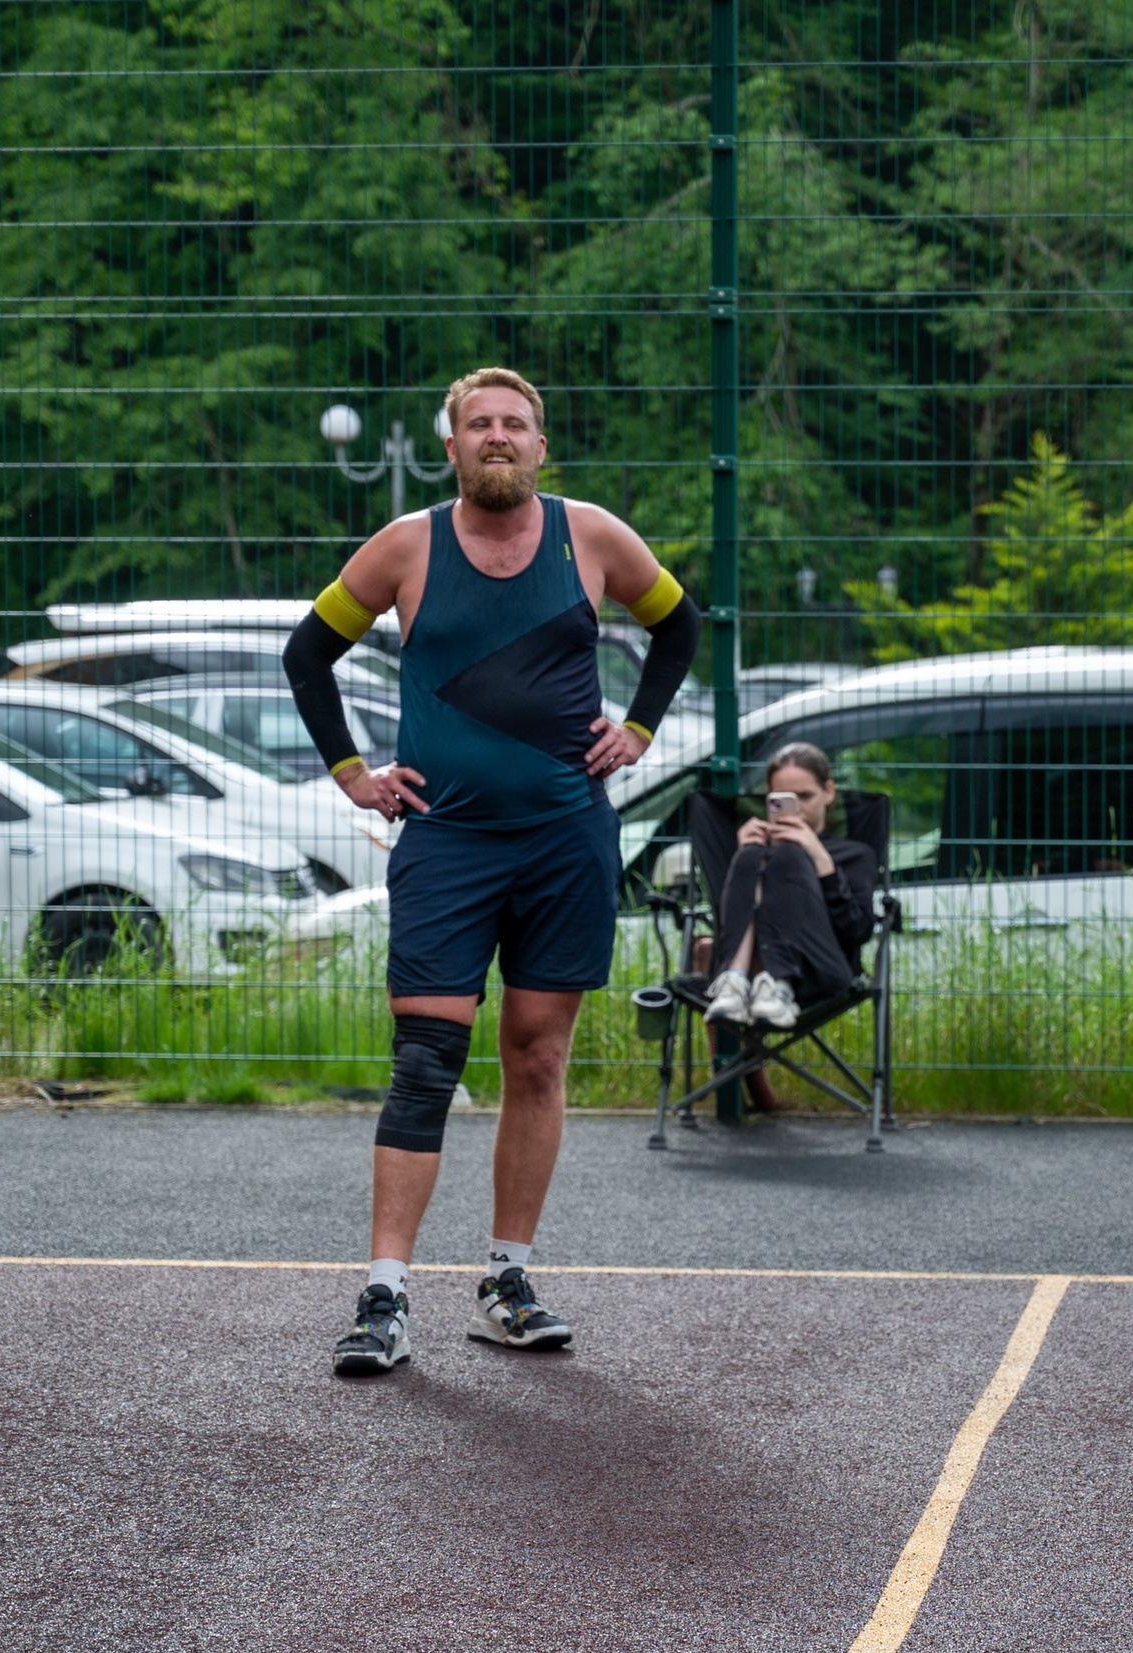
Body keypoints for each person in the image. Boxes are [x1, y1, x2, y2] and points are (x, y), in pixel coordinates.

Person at [282, 366, 702, 1375]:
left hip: (566, 841)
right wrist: (351, 773)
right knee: (426, 1059)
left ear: (540, 446)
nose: (498, 437)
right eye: (479, 424)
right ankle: (383, 1298)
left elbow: (679, 625)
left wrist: (639, 726)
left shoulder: (590, 537)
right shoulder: (405, 547)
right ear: (453, 446)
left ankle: (505, 1283)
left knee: (537, 1056)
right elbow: (306, 656)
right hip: (449, 843)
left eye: (515, 423)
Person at [705, 743, 877, 1033]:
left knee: (787, 856)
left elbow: (857, 931)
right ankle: (734, 979)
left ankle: (777, 982)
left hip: (819, 974)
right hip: (745, 979)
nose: (797, 807)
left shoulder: (855, 854)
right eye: (782, 799)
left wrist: (819, 858)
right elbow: (727, 926)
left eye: (806, 796)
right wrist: (745, 861)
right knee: (754, 856)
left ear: (829, 791)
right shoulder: (753, 848)